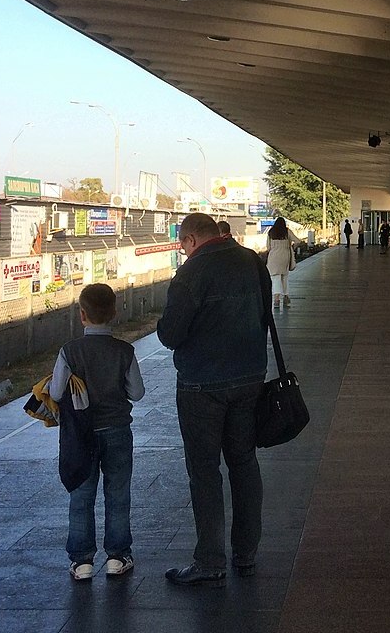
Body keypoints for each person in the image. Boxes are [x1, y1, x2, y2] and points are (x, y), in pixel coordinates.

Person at [157, 213, 272, 587]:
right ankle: (246, 555)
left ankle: (210, 561)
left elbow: (170, 335)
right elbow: (265, 313)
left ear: (191, 239)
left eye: (182, 244)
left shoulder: (191, 273)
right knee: (244, 462)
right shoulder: (251, 260)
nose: (183, 251)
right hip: (250, 377)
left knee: (205, 470)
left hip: (202, 385)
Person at [49, 283, 146, 581]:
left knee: (81, 495)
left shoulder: (69, 351)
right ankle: (118, 556)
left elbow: (56, 392)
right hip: (117, 431)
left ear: (82, 315)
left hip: (81, 436)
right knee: (118, 494)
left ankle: (82, 562)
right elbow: (137, 393)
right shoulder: (125, 351)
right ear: (114, 313)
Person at [265, 217, 301, 310]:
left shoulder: (271, 232)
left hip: (273, 257)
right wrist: (291, 247)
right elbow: (298, 241)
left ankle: (276, 299)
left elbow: (268, 247)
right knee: (284, 277)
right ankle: (286, 296)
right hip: (285, 256)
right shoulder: (287, 231)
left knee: (275, 278)